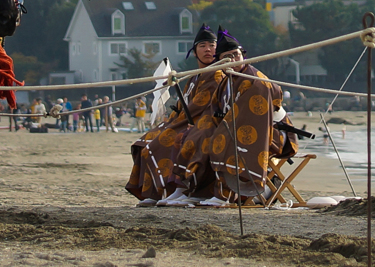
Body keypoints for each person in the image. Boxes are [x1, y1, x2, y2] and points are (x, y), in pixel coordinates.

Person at [189, 28, 296, 207]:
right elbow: (215, 111)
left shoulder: (255, 80)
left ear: (243, 55)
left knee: (224, 140)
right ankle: (198, 190)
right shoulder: (226, 81)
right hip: (236, 128)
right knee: (203, 136)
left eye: (236, 55)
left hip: (273, 133)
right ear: (219, 61)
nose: (232, 60)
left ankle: (226, 194)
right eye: (227, 57)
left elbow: (261, 111)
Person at [126, 24, 219, 206]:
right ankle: (154, 192)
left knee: (160, 142)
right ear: (194, 52)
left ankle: (175, 189)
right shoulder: (194, 77)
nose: (208, 49)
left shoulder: (217, 75)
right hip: (184, 120)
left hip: (201, 124)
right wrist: (172, 116)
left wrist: (176, 120)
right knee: (144, 141)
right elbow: (182, 105)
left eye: (212, 45)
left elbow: (198, 107)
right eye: (202, 46)